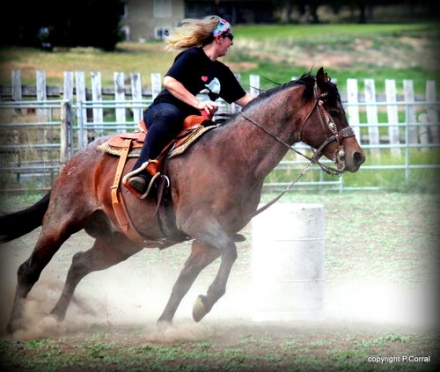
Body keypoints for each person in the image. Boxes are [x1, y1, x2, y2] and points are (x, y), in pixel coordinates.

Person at [123, 15, 256, 198]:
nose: (232, 43)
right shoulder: (192, 57)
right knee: (171, 116)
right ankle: (141, 171)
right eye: (230, 37)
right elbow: (170, 81)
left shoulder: (222, 72)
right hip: (164, 108)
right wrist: (199, 103)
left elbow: (244, 98)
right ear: (219, 38)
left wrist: (276, 99)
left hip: (192, 118)